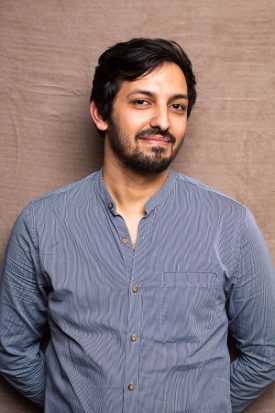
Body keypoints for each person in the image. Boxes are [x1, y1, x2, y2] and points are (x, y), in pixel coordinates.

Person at [0, 38, 274, 413]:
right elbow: (11, 348)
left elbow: (267, 351)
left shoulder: (231, 225)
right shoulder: (41, 223)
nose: (162, 120)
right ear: (100, 114)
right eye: (142, 102)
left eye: (176, 106)